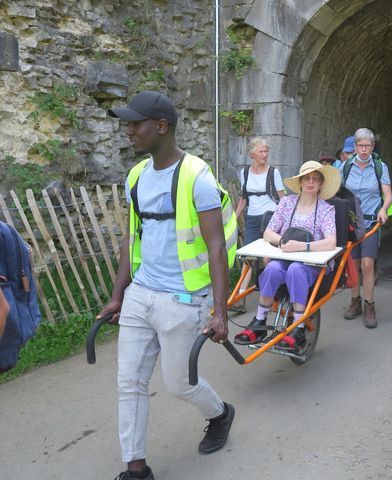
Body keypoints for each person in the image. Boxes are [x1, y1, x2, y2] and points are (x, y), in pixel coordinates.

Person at [99, 91, 234, 480]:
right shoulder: (137, 176)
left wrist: (219, 311)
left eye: (134, 123)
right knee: (129, 382)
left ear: (161, 126)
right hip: (141, 294)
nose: (128, 131)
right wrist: (118, 295)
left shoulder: (197, 177)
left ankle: (221, 413)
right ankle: (136, 468)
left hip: (183, 298)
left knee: (179, 384)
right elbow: (131, 239)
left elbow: (215, 246)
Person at [234, 161, 339, 351]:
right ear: (300, 182)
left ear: (321, 184)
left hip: (310, 261)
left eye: (315, 179)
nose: (310, 182)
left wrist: (302, 246)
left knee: (296, 270)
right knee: (272, 269)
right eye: (307, 178)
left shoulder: (326, 209)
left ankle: (297, 329)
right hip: (285, 255)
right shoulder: (286, 203)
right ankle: (259, 322)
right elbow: (268, 233)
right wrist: (283, 242)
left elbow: (331, 241)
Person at [340, 128, 392, 328]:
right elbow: (338, 192)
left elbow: (387, 195)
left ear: (372, 147)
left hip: (371, 223)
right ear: (355, 147)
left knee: (367, 264)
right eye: (360, 145)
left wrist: (384, 209)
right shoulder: (345, 167)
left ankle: (369, 304)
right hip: (351, 224)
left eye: (368, 146)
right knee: (353, 265)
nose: (364, 150)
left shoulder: (380, 167)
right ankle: (355, 301)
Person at [232, 138, 285, 312]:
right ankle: (240, 298)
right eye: (261, 152)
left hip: (270, 217)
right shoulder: (245, 172)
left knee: (267, 258)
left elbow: (282, 199)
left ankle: (273, 296)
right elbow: (244, 198)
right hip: (253, 220)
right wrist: (235, 217)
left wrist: (285, 221)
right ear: (252, 154)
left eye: (266, 151)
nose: (264, 155)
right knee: (248, 257)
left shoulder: (273, 172)